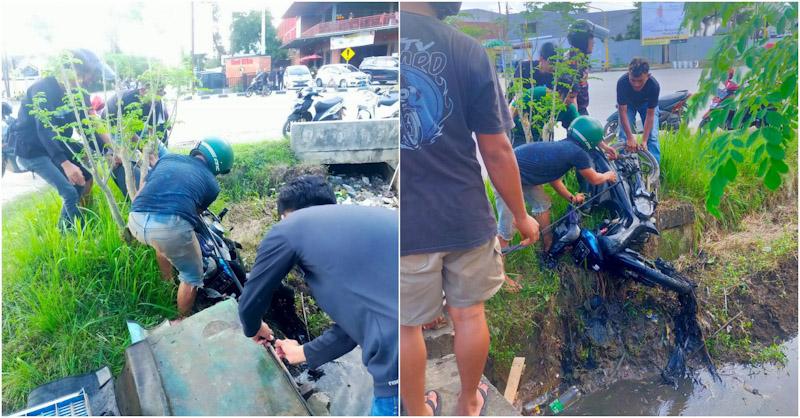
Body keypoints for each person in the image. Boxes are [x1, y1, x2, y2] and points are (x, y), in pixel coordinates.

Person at [400, 2, 540, 416]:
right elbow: (495, 148)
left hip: (403, 223)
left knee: (406, 325)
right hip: (464, 213)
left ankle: (419, 410)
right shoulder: (467, 50)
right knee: (469, 315)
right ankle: (466, 404)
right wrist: (520, 214)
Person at [238, 175, 398, 416]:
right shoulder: (366, 225)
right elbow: (355, 324)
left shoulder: (290, 228)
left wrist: (253, 326)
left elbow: (250, 302)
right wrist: (303, 352)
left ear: (287, 215)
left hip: (392, 355)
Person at [127, 137, 233, 319]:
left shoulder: (168, 158)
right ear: (218, 166)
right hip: (168, 228)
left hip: (135, 219)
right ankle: (181, 320)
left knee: (163, 246)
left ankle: (166, 284)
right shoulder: (212, 185)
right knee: (192, 275)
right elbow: (196, 212)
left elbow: (148, 184)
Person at [13, 49, 115, 230]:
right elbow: (44, 129)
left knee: (86, 178)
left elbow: (86, 127)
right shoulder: (42, 89)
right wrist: (65, 163)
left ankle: (76, 221)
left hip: (56, 144)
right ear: (66, 70)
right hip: (32, 150)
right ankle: (75, 235)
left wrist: (107, 151)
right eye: (83, 75)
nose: (86, 81)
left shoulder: (79, 93)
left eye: (89, 77)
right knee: (69, 192)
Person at [496, 116, 618, 255]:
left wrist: (571, 198)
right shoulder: (578, 153)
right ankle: (498, 271)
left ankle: (548, 242)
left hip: (520, 174)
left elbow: (554, 180)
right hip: (504, 174)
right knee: (506, 227)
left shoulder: (564, 147)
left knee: (542, 203)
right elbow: (594, 179)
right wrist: (609, 175)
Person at [103, 85, 170, 197]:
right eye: (156, 93)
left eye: (162, 93)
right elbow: (127, 132)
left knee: (166, 156)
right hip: (115, 128)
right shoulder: (129, 99)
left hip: (137, 127)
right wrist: (146, 153)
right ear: (142, 90)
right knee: (133, 159)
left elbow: (151, 130)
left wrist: (154, 152)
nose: (159, 97)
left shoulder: (156, 102)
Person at [617, 57, 661, 162]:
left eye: (640, 81)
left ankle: (654, 172)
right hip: (628, 105)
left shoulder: (654, 85)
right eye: (633, 80)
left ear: (648, 76)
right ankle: (624, 169)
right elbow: (622, 112)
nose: (636, 84)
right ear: (628, 74)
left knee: (652, 137)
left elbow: (650, 115)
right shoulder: (622, 82)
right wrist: (630, 137)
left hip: (646, 104)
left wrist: (644, 140)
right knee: (624, 136)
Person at [566, 19, 608, 116]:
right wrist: (577, 120)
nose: (594, 42)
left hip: (581, 109)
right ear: (583, 40)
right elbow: (572, 97)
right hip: (576, 112)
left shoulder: (580, 58)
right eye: (591, 39)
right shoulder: (573, 63)